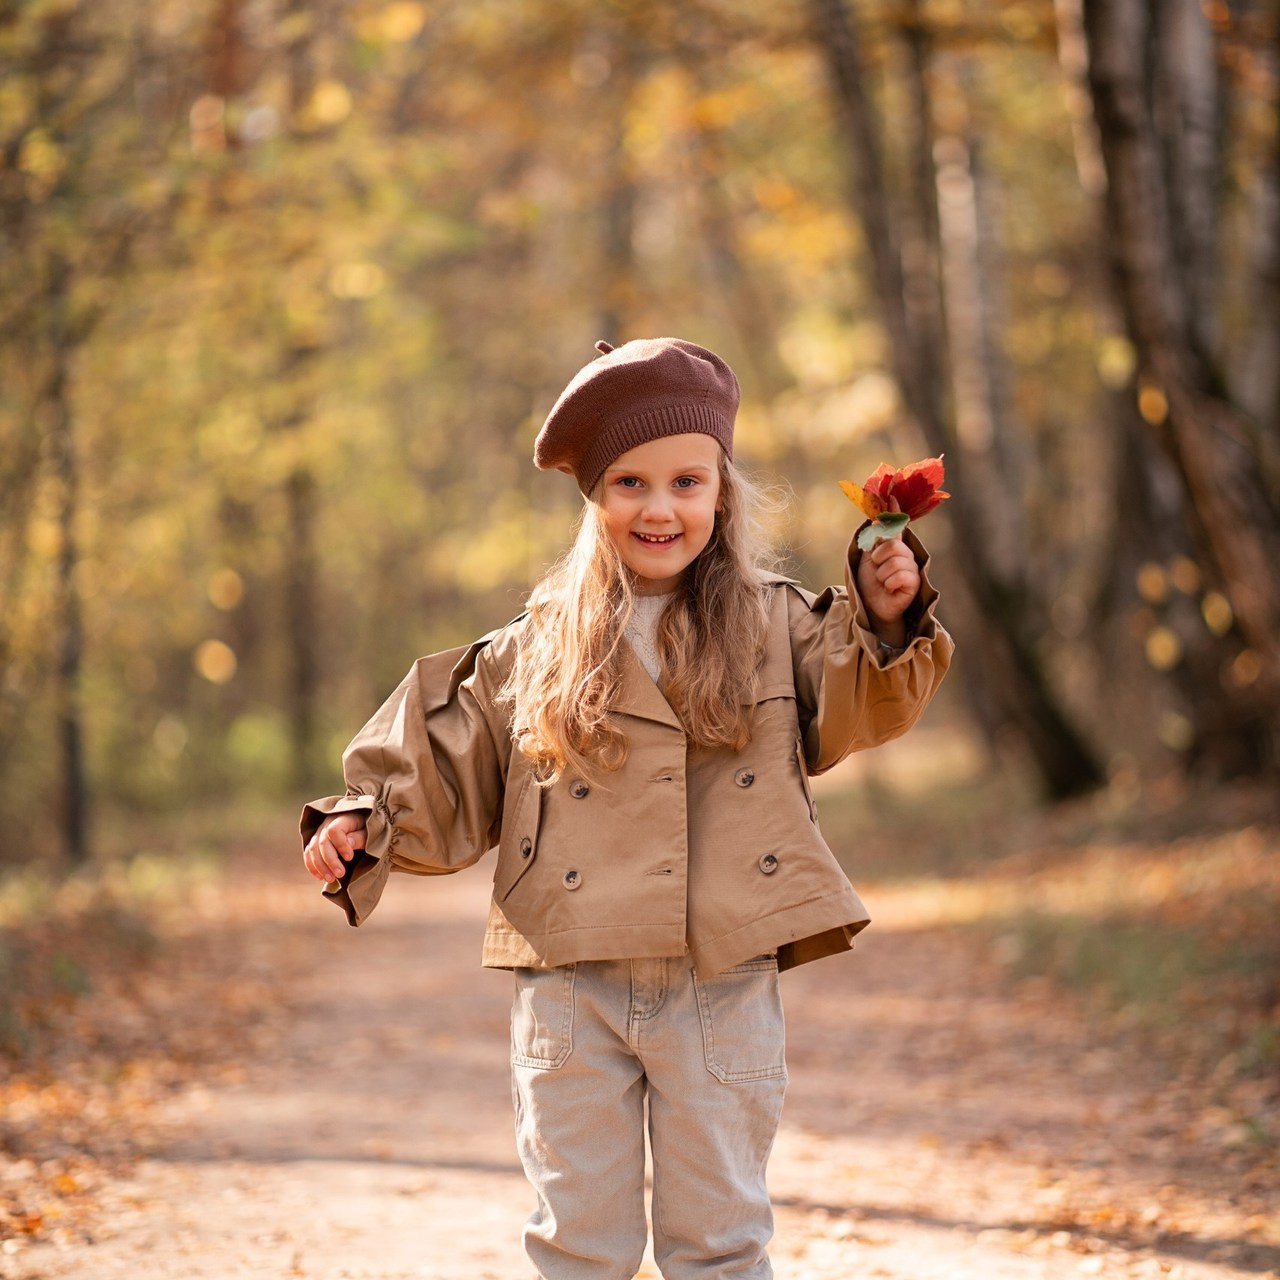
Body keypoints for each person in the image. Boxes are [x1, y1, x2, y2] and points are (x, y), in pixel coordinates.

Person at [301, 337, 954, 1280]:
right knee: (578, 1247)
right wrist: (362, 820)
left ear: (721, 491)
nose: (659, 508)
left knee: (720, 1245)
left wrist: (888, 614)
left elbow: (861, 692)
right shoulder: (536, 645)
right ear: (594, 498)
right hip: (571, 979)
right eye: (629, 483)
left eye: (686, 481)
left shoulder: (777, 623)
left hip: (721, 977)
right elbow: (444, 757)